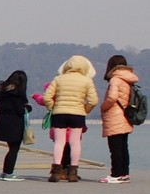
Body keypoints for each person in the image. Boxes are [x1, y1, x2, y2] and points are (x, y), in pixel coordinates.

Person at [35, 55, 99, 182]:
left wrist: (52, 107)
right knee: (75, 143)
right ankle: (73, 172)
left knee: (59, 142)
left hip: (59, 113)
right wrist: (85, 109)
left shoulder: (58, 79)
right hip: (78, 114)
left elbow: (47, 97)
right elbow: (94, 100)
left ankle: (56, 171)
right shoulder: (86, 81)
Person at [99, 54, 137, 184]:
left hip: (115, 116)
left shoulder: (115, 79)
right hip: (125, 116)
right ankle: (124, 173)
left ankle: (115, 174)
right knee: (123, 147)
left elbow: (112, 97)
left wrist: (103, 107)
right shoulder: (128, 79)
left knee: (115, 148)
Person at [0, 70, 31, 180]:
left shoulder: (3, 93)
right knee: (14, 149)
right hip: (14, 125)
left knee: (11, 149)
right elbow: (20, 110)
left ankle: (6, 171)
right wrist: (28, 108)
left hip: (3, 123)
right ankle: (8, 172)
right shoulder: (17, 94)